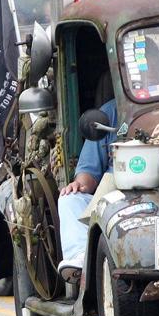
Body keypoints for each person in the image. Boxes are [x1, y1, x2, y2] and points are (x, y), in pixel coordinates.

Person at [56, 98, 119, 280]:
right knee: (70, 199)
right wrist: (79, 184)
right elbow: (89, 171)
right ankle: (80, 257)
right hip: (116, 192)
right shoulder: (110, 112)